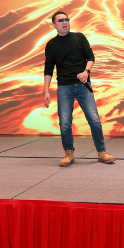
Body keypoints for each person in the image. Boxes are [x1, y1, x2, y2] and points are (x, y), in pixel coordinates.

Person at [43, 11, 115, 167]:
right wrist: (46, 91)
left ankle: (102, 152)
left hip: (83, 85)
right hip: (64, 87)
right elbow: (48, 68)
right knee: (65, 123)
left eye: (66, 19)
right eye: (60, 20)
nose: (64, 22)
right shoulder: (51, 45)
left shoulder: (79, 38)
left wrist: (86, 71)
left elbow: (91, 57)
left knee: (94, 120)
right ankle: (69, 153)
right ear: (54, 25)